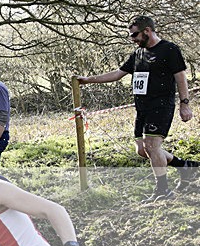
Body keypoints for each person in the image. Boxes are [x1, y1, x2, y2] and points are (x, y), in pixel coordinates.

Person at [76, 15, 196, 201]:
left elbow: (181, 77)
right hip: (142, 109)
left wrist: (185, 104)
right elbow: (117, 74)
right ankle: (185, 166)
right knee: (143, 150)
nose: (133, 39)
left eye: (134, 35)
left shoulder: (169, 49)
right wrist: (87, 80)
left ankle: (163, 191)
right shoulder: (138, 54)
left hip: (161, 106)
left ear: (147, 31)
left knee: (152, 146)